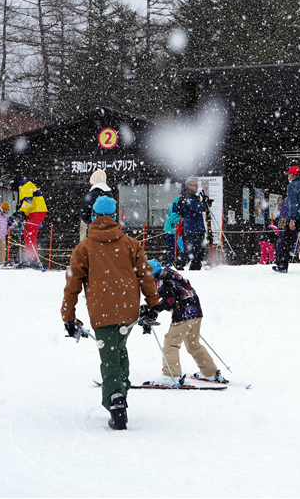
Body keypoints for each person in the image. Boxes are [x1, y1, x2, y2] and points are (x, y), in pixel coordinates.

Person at [61, 195, 161, 430]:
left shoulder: (84, 247)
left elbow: (72, 285)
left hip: (101, 310)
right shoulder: (130, 244)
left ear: (94, 216)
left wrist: (68, 316)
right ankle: (120, 392)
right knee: (119, 349)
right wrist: (153, 303)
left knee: (109, 356)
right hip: (128, 310)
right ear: (116, 217)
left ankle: (115, 401)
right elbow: (146, 275)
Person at [145, 260, 227, 385]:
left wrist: (154, 309)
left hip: (182, 314)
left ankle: (171, 375)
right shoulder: (173, 275)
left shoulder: (162, 282)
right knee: (193, 343)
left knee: (171, 343)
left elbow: (169, 300)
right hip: (196, 312)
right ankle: (209, 372)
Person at [175, 177, 210, 271]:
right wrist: (204, 205)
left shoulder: (192, 196)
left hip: (196, 227)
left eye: (197, 185)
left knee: (199, 252)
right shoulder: (188, 197)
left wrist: (204, 204)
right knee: (193, 250)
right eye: (195, 185)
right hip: (193, 228)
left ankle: (195, 270)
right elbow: (195, 207)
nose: (196, 187)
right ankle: (179, 263)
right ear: (189, 186)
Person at [14, 177, 47, 266]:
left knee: (30, 234)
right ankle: (31, 258)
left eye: (7, 186)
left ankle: (32, 259)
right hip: (33, 211)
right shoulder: (22, 185)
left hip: (36, 211)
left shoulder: (23, 184)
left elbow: (28, 201)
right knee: (28, 234)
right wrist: (21, 212)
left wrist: (21, 212)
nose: (8, 188)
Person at [79, 170, 112, 241]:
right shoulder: (110, 196)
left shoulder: (90, 196)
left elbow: (83, 213)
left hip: (93, 231)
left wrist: (90, 221)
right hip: (109, 231)